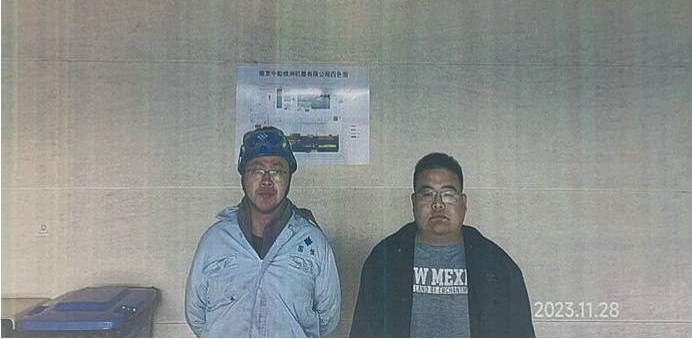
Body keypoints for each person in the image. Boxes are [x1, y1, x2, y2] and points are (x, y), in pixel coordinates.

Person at [350, 152, 534, 338]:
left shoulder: (497, 265)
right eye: (427, 194)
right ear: (414, 202)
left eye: (448, 194)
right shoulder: (384, 261)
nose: (438, 204)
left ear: (463, 202)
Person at [185, 126, 341, 338]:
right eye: (257, 170)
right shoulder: (215, 241)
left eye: (277, 171)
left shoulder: (313, 242)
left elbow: (328, 317)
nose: (267, 180)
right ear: (243, 177)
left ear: (289, 178)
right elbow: (196, 314)